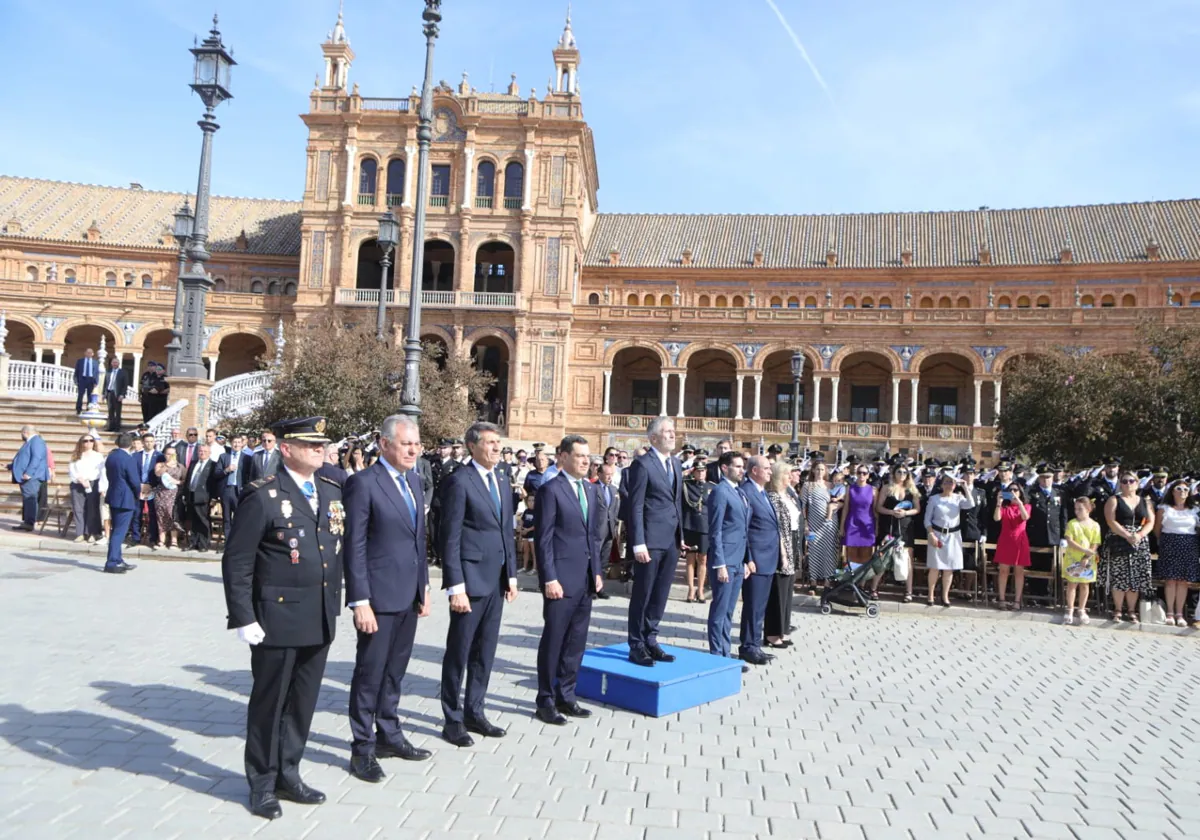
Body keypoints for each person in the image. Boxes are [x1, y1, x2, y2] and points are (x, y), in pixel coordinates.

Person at [221, 416, 344, 821]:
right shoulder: (264, 495)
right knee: (269, 703)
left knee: (303, 703)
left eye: (322, 444)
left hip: (319, 614)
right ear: (287, 449)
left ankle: (289, 772)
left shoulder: (330, 491)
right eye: (310, 444)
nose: (319, 450)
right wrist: (242, 616)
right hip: (276, 616)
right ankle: (261, 781)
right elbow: (238, 560)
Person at [343, 415, 433, 783]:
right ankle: (362, 747)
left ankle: (389, 734)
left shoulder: (414, 479)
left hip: (408, 594)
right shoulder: (364, 484)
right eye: (405, 444)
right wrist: (359, 600)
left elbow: (419, 539)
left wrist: (423, 586)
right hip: (377, 598)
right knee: (370, 674)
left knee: (395, 673)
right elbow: (355, 546)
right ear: (383, 444)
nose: (413, 450)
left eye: (417, 444)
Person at [438, 421, 518, 747]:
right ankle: (452, 719)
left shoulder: (501, 477)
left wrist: (511, 574)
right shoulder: (459, 481)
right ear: (472, 446)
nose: (497, 448)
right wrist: (455, 586)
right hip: (470, 583)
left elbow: (505, 530)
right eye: (490, 442)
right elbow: (450, 537)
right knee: (459, 653)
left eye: (498, 442)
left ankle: (475, 710)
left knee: (485, 652)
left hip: (496, 581)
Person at [532, 435, 604, 726]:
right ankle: (546, 699)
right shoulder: (551, 490)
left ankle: (567, 694)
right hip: (560, 580)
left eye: (588, 456)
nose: (586, 461)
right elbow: (544, 539)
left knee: (576, 642)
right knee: (554, 640)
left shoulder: (589, 489)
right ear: (562, 457)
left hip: (585, 579)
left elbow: (594, 537)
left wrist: (597, 570)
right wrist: (549, 577)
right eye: (580, 456)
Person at [621, 416, 685, 668]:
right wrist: (638, 543)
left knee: (660, 594)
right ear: (654, 438)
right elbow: (635, 507)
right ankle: (636, 644)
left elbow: (676, 502)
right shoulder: (643, 465)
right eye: (667, 431)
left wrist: (681, 537)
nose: (672, 435)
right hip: (649, 540)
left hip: (670, 541)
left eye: (673, 431)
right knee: (643, 593)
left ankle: (651, 638)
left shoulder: (676, 464)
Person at [706, 451, 749, 665]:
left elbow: (742, 529)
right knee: (720, 609)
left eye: (743, 466)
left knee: (729, 611)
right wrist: (720, 563)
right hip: (724, 560)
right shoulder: (720, 492)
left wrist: (745, 560)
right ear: (725, 468)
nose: (742, 470)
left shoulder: (739, 492)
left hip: (738, 560)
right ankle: (717, 655)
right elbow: (716, 531)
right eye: (738, 466)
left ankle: (726, 653)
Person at [739, 455, 779, 666]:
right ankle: (747, 646)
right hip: (756, 559)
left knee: (760, 606)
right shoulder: (747, 492)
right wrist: (749, 558)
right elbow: (744, 530)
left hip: (768, 558)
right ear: (754, 470)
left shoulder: (762, 492)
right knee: (753, 605)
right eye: (767, 468)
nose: (770, 472)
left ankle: (755, 644)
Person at [1100, 470, 1154, 623]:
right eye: (1124, 481)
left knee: (1134, 578)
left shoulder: (1145, 501)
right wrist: (1127, 535)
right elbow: (1111, 521)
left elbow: (1151, 521)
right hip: (1119, 538)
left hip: (1139, 540)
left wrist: (1139, 535)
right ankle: (1117, 609)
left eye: (1131, 481)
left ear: (1137, 483)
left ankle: (1131, 610)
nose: (1128, 484)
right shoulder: (1114, 499)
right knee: (1119, 576)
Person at [923, 473, 976, 606]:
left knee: (949, 568)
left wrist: (964, 487)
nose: (949, 485)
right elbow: (927, 519)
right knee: (934, 567)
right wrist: (931, 534)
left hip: (953, 535)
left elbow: (971, 504)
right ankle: (931, 595)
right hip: (937, 534)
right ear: (941, 484)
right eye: (946, 482)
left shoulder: (958, 498)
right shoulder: (934, 499)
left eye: (952, 482)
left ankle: (945, 596)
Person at [1154, 480, 1199, 627]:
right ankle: (1170, 612)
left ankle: (1180, 613)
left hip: (1189, 546)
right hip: (1169, 544)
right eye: (1178, 489)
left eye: (1186, 489)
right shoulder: (1164, 508)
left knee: (1183, 582)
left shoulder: (1194, 509)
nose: (1182, 492)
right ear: (1172, 491)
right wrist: (1165, 542)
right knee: (1170, 580)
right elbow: (1157, 530)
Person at [874, 464, 921, 602]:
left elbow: (917, 509)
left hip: (905, 528)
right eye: (899, 471)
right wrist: (891, 512)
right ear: (894, 473)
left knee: (907, 560)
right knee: (883, 558)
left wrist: (906, 512)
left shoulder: (912, 489)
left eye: (904, 472)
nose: (901, 474)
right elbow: (878, 507)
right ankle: (874, 589)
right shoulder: (887, 487)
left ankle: (908, 591)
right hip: (889, 526)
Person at [764, 461, 799, 648]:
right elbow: (776, 527)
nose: (790, 476)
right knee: (777, 590)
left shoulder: (788, 495)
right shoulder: (773, 497)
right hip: (781, 545)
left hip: (792, 542)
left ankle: (783, 629)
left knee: (787, 590)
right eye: (787, 473)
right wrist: (783, 551)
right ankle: (772, 633)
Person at [102, 432, 141, 573]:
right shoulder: (128, 459)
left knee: (116, 530)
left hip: (113, 494)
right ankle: (111, 562)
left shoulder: (111, 456)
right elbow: (135, 481)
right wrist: (138, 493)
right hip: (125, 497)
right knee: (119, 531)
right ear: (130, 444)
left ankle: (117, 559)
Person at [800, 460, 840, 593]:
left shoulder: (831, 485)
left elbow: (841, 501)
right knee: (814, 550)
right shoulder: (808, 485)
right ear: (813, 470)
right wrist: (805, 523)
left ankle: (828, 581)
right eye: (817, 469)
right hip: (814, 523)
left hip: (830, 523)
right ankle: (813, 581)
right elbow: (802, 506)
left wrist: (837, 505)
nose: (820, 472)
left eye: (822, 469)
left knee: (829, 551)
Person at [1062, 496, 1101, 626]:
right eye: (1076, 509)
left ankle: (1082, 609)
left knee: (1085, 584)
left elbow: (1095, 542)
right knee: (1072, 584)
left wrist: (1087, 556)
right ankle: (1070, 609)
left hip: (1087, 560)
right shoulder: (1072, 523)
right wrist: (1084, 550)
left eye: (1080, 509)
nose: (1077, 512)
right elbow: (1070, 540)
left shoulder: (1095, 525)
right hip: (1073, 558)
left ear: (1088, 509)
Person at [994, 482, 1032, 609]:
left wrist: (1019, 503)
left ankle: (1017, 600)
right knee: (1003, 571)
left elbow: (1025, 517)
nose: (1013, 492)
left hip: (1020, 540)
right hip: (1006, 540)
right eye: (1010, 490)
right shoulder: (1005, 507)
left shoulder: (1026, 505)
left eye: (1015, 490)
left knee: (1019, 571)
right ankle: (1002, 598)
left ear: (1020, 492)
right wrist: (999, 502)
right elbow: (996, 518)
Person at [682, 461, 713, 603]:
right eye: (697, 471)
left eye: (703, 471)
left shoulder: (711, 487)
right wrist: (685, 473)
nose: (700, 473)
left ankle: (700, 589)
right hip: (690, 525)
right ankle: (690, 588)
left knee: (703, 559)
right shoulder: (686, 485)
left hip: (705, 527)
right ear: (693, 472)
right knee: (690, 559)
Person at [11, 425, 49, 532]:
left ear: (25, 432)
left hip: (32, 477)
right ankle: (27, 522)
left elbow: (36, 458)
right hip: (28, 476)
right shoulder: (31, 442)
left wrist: (29, 473)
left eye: (21, 434)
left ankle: (29, 523)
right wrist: (11, 466)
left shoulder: (36, 441)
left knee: (30, 499)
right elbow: (25, 458)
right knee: (28, 499)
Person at [840, 463, 877, 572]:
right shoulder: (849, 488)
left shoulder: (873, 490)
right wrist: (842, 527)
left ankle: (862, 584)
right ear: (856, 474)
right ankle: (852, 581)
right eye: (859, 472)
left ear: (868, 475)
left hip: (867, 525)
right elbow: (846, 508)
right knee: (851, 555)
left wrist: (877, 527)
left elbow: (875, 511)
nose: (862, 475)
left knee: (866, 556)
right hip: (852, 524)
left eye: (864, 473)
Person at [67, 435, 104, 542]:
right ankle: (80, 533)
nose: (88, 443)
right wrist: (80, 479)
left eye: (91, 440)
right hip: (78, 483)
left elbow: (100, 470)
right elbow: (72, 469)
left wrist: (88, 480)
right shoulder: (76, 455)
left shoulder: (98, 456)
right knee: (78, 509)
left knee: (92, 509)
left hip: (92, 483)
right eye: (85, 441)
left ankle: (92, 532)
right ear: (81, 443)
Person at [592, 462, 620, 599]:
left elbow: (615, 509)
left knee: (603, 561)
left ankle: (600, 588)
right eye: (607, 474)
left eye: (611, 475)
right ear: (599, 474)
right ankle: (591, 588)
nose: (609, 477)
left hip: (609, 530)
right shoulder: (593, 488)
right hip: (597, 530)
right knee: (594, 559)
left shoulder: (614, 490)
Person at [217, 433, 254, 536]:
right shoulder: (224, 457)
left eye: (239, 442)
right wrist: (227, 470)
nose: (237, 444)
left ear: (242, 444)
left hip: (239, 491)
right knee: (227, 518)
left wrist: (246, 489)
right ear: (231, 443)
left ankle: (237, 542)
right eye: (234, 442)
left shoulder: (247, 458)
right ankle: (227, 543)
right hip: (227, 490)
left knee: (240, 518)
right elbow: (216, 473)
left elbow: (249, 475)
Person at [131, 432, 164, 546]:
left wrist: (153, 485)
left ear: (154, 442)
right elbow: (132, 472)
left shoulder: (160, 456)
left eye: (151, 441)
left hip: (153, 488)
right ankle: (135, 537)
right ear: (143, 443)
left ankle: (153, 538)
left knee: (153, 513)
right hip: (138, 488)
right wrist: (137, 484)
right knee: (137, 513)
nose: (149, 444)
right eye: (147, 441)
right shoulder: (136, 456)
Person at [183, 444, 218, 551]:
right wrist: (185, 493)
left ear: (209, 453)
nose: (202, 453)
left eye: (205, 451)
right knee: (193, 520)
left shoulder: (213, 465)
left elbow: (214, 483)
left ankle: (204, 544)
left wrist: (213, 498)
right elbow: (188, 479)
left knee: (203, 521)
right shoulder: (193, 463)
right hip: (191, 495)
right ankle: (193, 542)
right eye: (200, 451)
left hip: (204, 497)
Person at [153, 449, 184, 549]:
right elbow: (158, 474)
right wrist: (167, 465)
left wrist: (177, 482)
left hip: (174, 494)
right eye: (168, 454)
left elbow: (184, 480)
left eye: (173, 454)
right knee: (161, 516)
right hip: (161, 494)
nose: (170, 455)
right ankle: (162, 539)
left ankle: (174, 540)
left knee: (172, 516)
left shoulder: (180, 466)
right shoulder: (160, 464)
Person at [101, 357, 128, 432]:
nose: (114, 364)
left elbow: (125, 385)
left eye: (116, 362)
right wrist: (104, 394)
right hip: (109, 393)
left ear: (119, 363)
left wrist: (122, 395)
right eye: (113, 362)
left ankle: (117, 427)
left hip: (118, 394)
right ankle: (111, 426)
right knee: (110, 411)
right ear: (111, 363)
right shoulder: (108, 372)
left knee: (117, 411)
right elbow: (105, 383)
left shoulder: (123, 372)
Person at [74, 348, 98, 414]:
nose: (89, 354)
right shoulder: (80, 361)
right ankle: (78, 409)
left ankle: (88, 409)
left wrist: (96, 382)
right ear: (85, 353)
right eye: (87, 352)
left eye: (90, 353)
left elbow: (96, 373)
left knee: (90, 396)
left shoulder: (95, 362)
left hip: (91, 380)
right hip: (82, 380)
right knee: (80, 395)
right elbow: (76, 372)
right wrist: (76, 380)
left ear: (93, 354)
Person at [518, 493, 537, 574]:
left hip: (533, 534)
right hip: (525, 534)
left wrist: (528, 530)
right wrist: (520, 528)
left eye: (533, 500)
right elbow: (522, 520)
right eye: (529, 500)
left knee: (533, 552)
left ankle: (534, 568)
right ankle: (524, 567)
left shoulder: (537, 511)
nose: (531, 502)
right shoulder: (526, 511)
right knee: (525, 551)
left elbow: (537, 524)